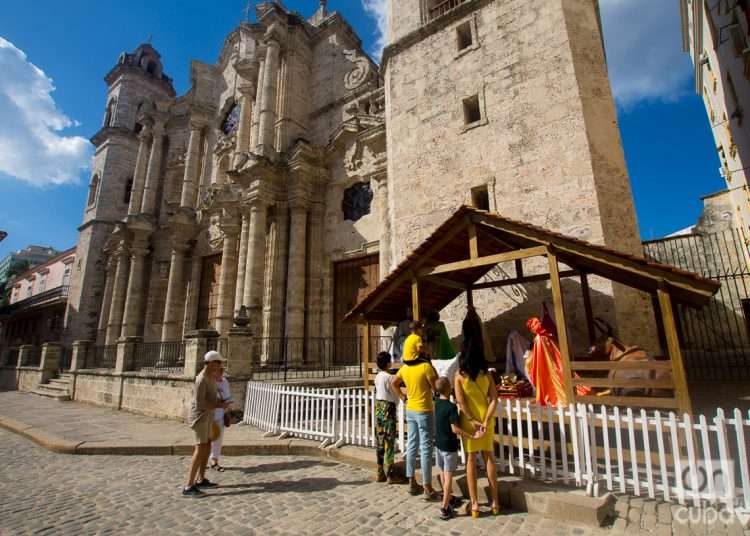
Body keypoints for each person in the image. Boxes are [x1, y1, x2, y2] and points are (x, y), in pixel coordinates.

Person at [391, 321, 439, 500]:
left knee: (412, 444)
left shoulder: (405, 369)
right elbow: (436, 388)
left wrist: (402, 397)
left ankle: (412, 481)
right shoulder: (425, 367)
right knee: (426, 448)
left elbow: (393, 383)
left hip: (410, 409)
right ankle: (427, 487)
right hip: (424, 410)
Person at [454, 335, 500, 517]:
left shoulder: (459, 375)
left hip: (469, 422)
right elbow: (494, 398)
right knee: (489, 457)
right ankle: (495, 502)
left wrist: (472, 420)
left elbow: (460, 401)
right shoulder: (486, 373)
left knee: (471, 460)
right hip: (486, 418)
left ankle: (474, 505)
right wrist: (487, 420)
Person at [182, 351, 230, 497]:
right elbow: (200, 403)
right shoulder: (202, 379)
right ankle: (189, 486)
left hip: (208, 416)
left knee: (207, 445)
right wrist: (218, 405)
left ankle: (201, 478)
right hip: (200, 418)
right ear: (211, 363)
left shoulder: (210, 377)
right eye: (218, 362)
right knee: (200, 449)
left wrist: (219, 403)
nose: (220, 365)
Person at [434, 377, 478, 520]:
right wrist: (469, 435)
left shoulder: (436, 403)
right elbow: (455, 429)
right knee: (448, 477)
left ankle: (449, 498)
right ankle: (445, 507)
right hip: (449, 446)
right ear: (449, 389)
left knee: (442, 472)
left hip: (439, 444)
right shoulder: (451, 407)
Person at [374, 351, 405, 484]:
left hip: (378, 406)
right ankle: (390, 473)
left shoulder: (378, 376)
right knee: (389, 440)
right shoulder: (389, 377)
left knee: (380, 440)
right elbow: (394, 393)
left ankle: (380, 471)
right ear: (388, 363)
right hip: (388, 407)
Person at [208, 364, 233, 472]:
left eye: (220, 371)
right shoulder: (207, 382)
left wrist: (227, 407)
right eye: (217, 371)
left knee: (218, 438)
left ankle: (214, 460)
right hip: (207, 415)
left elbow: (228, 397)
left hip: (219, 413)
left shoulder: (224, 382)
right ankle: (203, 460)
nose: (219, 373)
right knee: (205, 439)